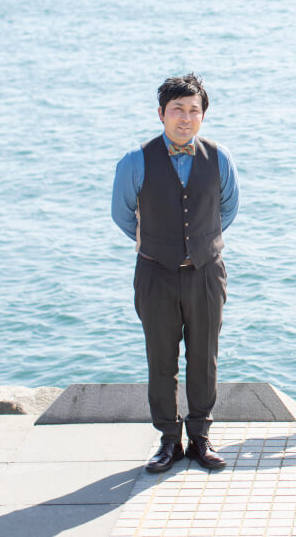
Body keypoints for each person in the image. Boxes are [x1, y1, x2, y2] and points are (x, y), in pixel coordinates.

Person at [112, 72, 239, 473]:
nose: (185, 118)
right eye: (177, 110)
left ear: (203, 115)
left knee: (204, 357)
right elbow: (122, 213)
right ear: (161, 114)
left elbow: (228, 208)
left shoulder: (220, 158)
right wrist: (156, 240)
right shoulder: (135, 161)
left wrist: (200, 242)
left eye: (193, 110)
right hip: (155, 273)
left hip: (206, 273)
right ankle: (169, 440)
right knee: (161, 359)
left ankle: (200, 437)